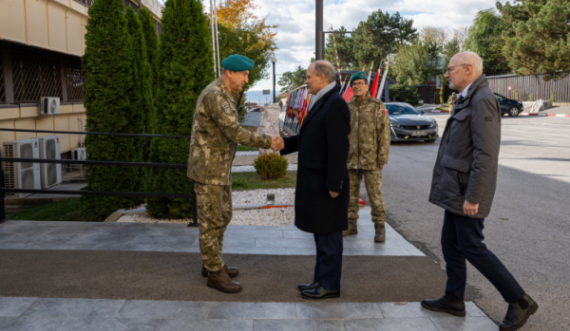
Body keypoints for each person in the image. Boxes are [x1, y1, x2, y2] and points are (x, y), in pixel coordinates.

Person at [421, 52, 538, 331]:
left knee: (472, 246)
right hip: (455, 189)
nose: (447, 75)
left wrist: (474, 196)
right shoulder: (467, 97)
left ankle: (519, 300)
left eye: (450, 70)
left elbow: (486, 155)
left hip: (466, 191)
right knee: (451, 244)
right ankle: (454, 298)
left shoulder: (482, 100)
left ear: (468, 69)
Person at [187, 54, 282, 294]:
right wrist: (268, 141)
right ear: (229, 72)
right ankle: (214, 272)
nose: (246, 80)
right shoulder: (216, 96)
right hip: (209, 170)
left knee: (223, 215)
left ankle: (212, 262)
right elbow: (235, 132)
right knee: (211, 220)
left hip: (218, 168)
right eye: (244, 74)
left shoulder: (224, 94)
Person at [278, 60, 350, 300]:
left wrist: (334, 185)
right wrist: (284, 144)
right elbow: (310, 137)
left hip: (326, 185)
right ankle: (320, 279)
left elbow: (339, 148)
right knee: (321, 233)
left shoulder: (336, 104)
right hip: (317, 182)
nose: (306, 81)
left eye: (309, 77)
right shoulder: (323, 100)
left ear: (322, 78)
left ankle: (330, 284)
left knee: (329, 235)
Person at [344, 71, 391, 242]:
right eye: (354, 84)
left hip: (371, 160)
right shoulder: (347, 107)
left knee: (375, 196)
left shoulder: (377, 106)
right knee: (350, 195)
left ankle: (379, 228)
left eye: (360, 83)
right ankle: (351, 225)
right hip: (350, 159)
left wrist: (382, 158)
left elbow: (384, 134)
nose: (356, 86)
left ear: (366, 86)